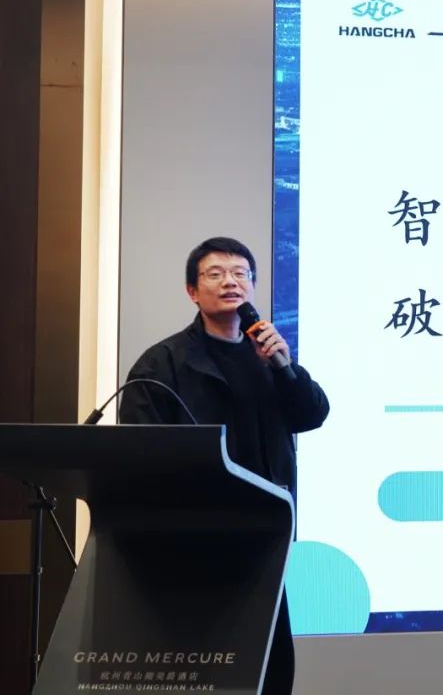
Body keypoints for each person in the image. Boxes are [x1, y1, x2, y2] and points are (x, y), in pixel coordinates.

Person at [118, 236, 329, 695]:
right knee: (205, 666)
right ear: (193, 291)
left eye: (240, 274)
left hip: (265, 531)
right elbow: (139, 452)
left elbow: (312, 414)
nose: (230, 282)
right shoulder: (163, 362)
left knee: (271, 666)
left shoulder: (268, 356)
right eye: (215, 274)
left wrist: (285, 368)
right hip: (198, 540)